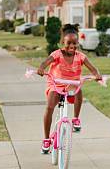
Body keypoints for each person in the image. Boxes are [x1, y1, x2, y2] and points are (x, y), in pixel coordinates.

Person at [36, 24, 102, 154]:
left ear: (78, 43)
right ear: (62, 42)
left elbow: (93, 68)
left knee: (79, 89)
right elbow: (45, 62)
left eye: (75, 43)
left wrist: (96, 75)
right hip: (56, 84)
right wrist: (41, 68)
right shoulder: (57, 54)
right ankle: (46, 139)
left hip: (71, 84)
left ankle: (75, 118)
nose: (72, 46)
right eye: (68, 43)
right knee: (49, 107)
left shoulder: (81, 57)